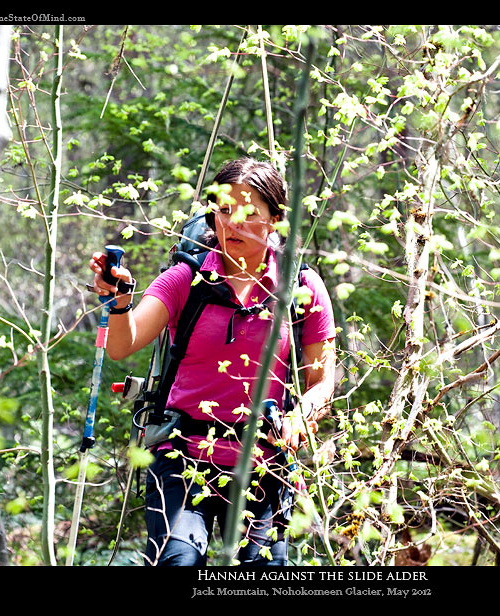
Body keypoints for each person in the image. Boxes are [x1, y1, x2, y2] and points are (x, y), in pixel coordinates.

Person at [88, 158, 336, 566]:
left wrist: (300, 418)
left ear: (275, 220)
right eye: (222, 211)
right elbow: (123, 343)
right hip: (181, 455)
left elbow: (322, 381)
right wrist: (119, 303)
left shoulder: (300, 287)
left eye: (248, 213)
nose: (231, 223)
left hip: (265, 462)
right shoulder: (185, 278)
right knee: (179, 561)